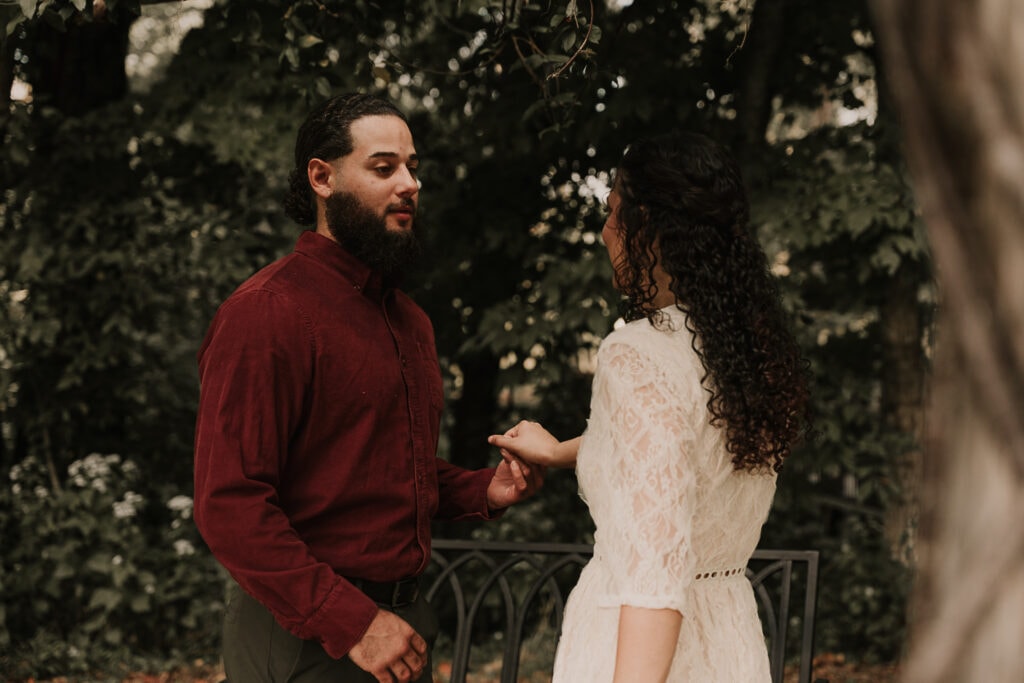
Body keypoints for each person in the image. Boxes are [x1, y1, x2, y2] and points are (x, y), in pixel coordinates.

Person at [193, 93, 543, 683]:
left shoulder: (409, 321)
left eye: (412, 167)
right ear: (322, 178)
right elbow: (229, 504)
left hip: (403, 628)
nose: (409, 183)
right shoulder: (266, 313)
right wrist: (352, 621)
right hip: (308, 639)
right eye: (384, 168)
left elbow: (379, 468)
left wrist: (488, 488)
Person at [489, 131, 810, 682]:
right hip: (727, 638)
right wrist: (560, 451)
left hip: (643, 649)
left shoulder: (638, 354)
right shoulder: (746, 355)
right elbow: (675, 456)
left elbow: (656, 569)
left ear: (652, 230)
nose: (604, 231)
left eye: (614, 212)